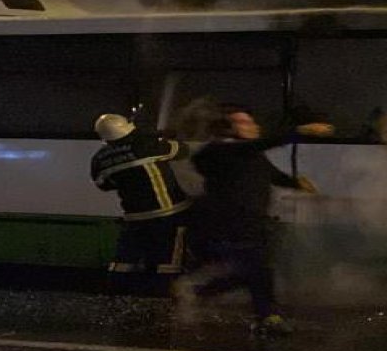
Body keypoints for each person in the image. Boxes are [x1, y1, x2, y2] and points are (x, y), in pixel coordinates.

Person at [183, 104, 333, 335]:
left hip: (252, 220)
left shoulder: (249, 153)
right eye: (243, 122)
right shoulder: (220, 151)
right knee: (257, 269)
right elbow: (261, 144)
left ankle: (203, 290)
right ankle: (265, 315)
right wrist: (299, 131)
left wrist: (295, 183)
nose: (252, 126)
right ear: (227, 129)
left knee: (254, 270)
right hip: (231, 222)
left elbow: (268, 174)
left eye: (251, 121)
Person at [90, 113, 193, 293]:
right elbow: (182, 150)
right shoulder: (147, 145)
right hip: (168, 213)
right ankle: (162, 299)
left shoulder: (99, 159)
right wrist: (157, 137)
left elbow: (104, 185)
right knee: (168, 260)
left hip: (134, 217)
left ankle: (117, 296)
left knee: (125, 260)